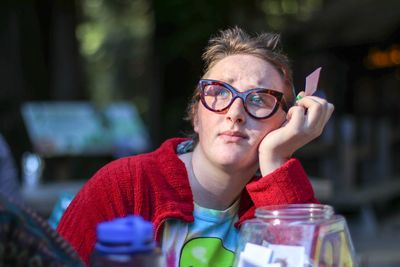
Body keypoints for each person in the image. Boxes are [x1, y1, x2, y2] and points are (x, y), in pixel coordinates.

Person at [57, 26, 334, 266]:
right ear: (196, 115)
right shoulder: (124, 185)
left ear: (285, 124)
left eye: (259, 99)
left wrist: (276, 160)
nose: (235, 112)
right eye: (219, 92)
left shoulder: (278, 200)